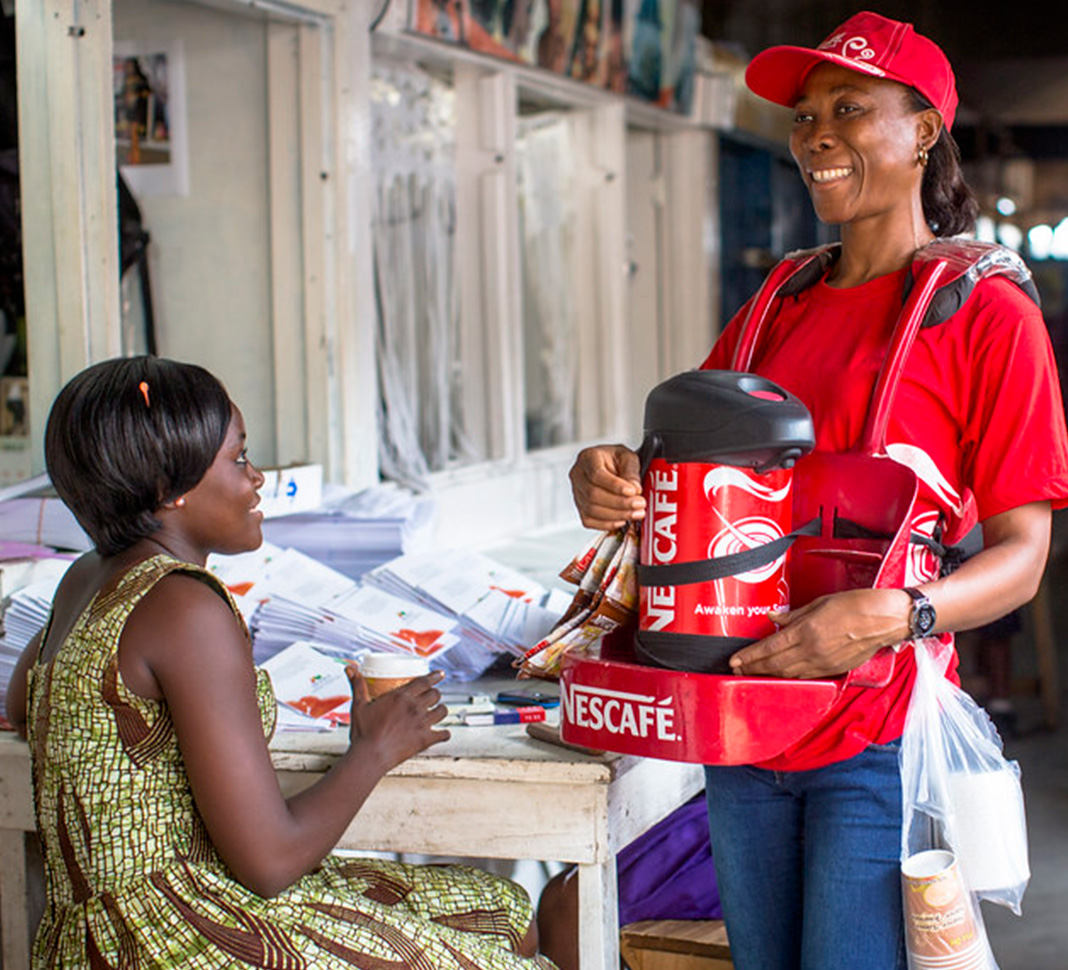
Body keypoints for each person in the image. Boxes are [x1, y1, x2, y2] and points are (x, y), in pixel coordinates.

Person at [567, 11, 1068, 970]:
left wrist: (898, 614)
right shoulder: (775, 302)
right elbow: (683, 472)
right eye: (804, 117)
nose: (815, 137)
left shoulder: (986, 314)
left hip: (878, 730)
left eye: (849, 108)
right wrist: (614, 475)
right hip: (743, 712)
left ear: (923, 131)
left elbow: (1021, 558)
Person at [5, 356, 555, 970]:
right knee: (513, 955)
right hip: (175, 936)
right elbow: (269, 862)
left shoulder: (88, 577)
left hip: (87, 935)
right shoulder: (183, 607)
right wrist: (373, 750)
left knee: (501, 909)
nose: (258, 478)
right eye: (238, 459)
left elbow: (22, 702)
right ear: (170, 491)